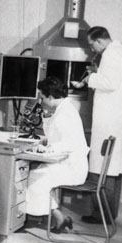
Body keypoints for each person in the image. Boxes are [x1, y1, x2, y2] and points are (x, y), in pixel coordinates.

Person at [75, 26, 122, 223]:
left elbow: (109, 83)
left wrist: (90, 78)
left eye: (92, 45)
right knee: (112, 168)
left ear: (100, 41)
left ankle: (100, 214)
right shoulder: (121, 52)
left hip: (109, 118)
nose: (92, 49)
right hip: (118, 116)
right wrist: (97, 72)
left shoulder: (110, 54)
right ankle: (110, 213)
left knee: (104, 168)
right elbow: (114, 79)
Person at [24, 76, 90, 233]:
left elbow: (68, 144)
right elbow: (55, 135)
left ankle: (57, 217)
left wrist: (46, 149)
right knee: (36, 173)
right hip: (68, 163)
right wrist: (46, 117)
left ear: (50, 97)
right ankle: (57, 217)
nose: (41, 100)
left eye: (42, 97)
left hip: (72, 168)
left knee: (35, 177)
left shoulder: (65, 113)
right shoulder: (64, 109)